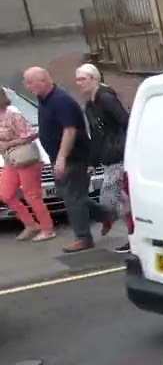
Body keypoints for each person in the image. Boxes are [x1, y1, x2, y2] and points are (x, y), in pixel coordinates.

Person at [24, 66, 114, 254]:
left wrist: (62, 158)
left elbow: (70, 130)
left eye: (30, 82)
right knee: (70, 195)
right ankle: (107, 214)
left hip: (74, 157)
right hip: (57, 156)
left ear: (44, 80)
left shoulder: (61, 100)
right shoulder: (43, 99)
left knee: (73, 197)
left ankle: (83, 238)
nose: (27, 86)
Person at [76, 63, 131, 253]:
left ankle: (122, 227)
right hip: (108, 157)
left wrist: (123, 146)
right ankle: (132, 232)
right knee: (122, 198)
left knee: (109, 198)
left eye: (82, 79)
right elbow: (97, 135)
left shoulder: (106, 99)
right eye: (77, 80)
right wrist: (92, 162)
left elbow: (124, 121)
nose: (79, 83)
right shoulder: (90, 104)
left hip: (118, 155)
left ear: (94, 79)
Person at [0, 91, 54, 241]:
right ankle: (30, 225)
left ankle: (47, 229)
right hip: (9, 159)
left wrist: (10, 143)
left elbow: (30, 134)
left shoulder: (12, 113)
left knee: (32, 195)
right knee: (6, 194)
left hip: (24, 157)